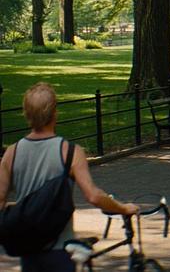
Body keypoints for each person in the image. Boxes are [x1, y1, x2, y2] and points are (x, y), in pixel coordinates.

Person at [0, 83, 139, 271]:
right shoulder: (70, 152)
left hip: (29, 250)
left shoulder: (12, 152)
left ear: (26, 113)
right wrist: (123, 208)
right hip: (59, 249)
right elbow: (94, 196)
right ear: (54, 113)